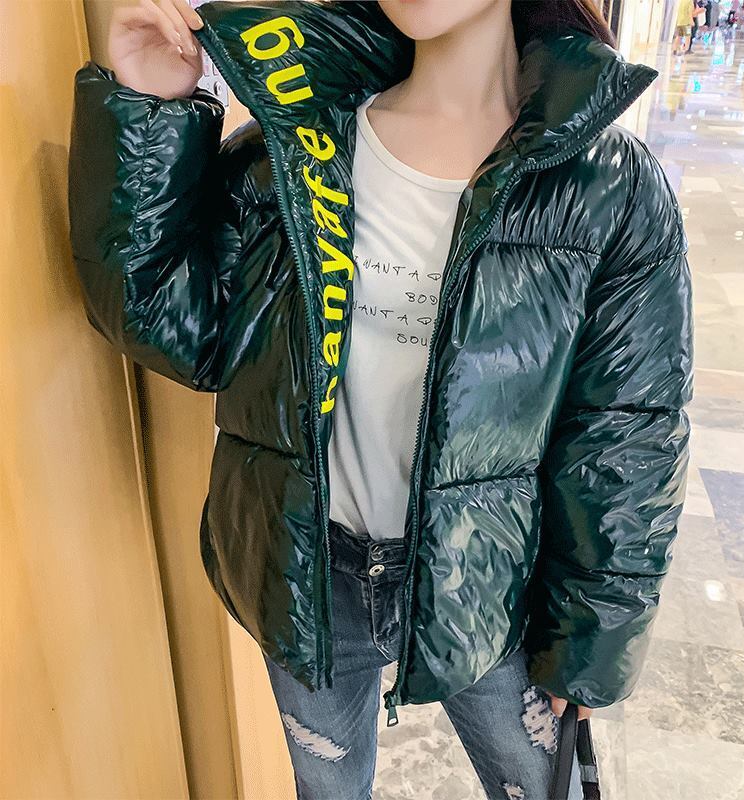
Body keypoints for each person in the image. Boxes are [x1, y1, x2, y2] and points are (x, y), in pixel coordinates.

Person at [68, 1, 693, 797]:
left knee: (543, 785)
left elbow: (628, 432)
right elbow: (176, 325)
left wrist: (594, 638)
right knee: (326, 788)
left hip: (494, 579)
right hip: (307, 572)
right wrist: (149, 116)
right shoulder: (291, 154)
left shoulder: (607, 184)